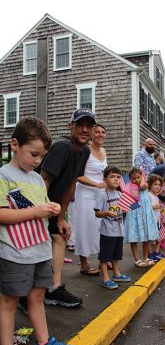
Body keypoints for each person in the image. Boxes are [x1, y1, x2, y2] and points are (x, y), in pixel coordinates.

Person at [0, 117, 74, 345]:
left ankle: (43, 343)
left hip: (39, 248)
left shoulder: (37, 179)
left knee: (37, 296)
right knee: (8, 303)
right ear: (15, 144)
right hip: (15, 251)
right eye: (33, 154)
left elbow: (40, 208)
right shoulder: (4, 175)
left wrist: (54, 210)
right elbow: (2, 214)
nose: (37, 161)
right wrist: (37, 211)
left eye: (41, 156)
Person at [39, 108, 95, 308]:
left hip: (54, 207)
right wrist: (40, 214)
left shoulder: (85, 151)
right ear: (70, 126)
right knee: (37, 245)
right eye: (80, 124)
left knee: (59, 237)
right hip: (38, 204)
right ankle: (26, 294)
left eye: (89, 126)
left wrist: (61, 217)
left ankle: (53, 289)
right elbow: (43, 180)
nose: (84, 129)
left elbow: (72, 182)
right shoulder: (63, 147)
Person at [75, 124, 107, 275]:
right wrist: (97, 184)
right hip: (86, 193)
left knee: (101, 227)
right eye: (97, 132)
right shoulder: (85, 151)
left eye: (103, 132)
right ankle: (84, 264)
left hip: (100, 195)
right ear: (91, 134)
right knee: (86, 227)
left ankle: (103, 261)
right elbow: (78, 175)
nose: (100, 135)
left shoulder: (104, 151)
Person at [94, 166, 131, 289]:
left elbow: (123, 209)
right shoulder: (102, 195)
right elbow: (97, 213)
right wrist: (107, 213)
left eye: (118, 177)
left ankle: (116, 274)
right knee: (105, 256)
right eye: (112, 176)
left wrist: (128, 209)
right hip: (107, 232)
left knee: (116, 255)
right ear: (105, 179)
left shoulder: (120, 193)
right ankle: (105, 278)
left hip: (119, 231)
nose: (116, 179)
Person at [124, 167, 159, 267]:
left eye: (139, 177)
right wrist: (141, 178)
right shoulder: (129, 186)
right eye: (133, 178)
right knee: (133, 237)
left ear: (142, 177)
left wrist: (142, 178)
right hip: (135, 214)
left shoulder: (145, 184)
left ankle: (146, 257)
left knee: (147, 236)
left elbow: (143, 185)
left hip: (145, 213)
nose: (136, 180)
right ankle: (137, 259)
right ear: (130, 179)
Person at [147, 174, 165, 261]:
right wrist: (153, 207)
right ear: (150, 185)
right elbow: (145, 208)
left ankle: (156, 252)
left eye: (159, 185)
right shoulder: (148, 195)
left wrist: (161, 210)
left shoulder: (156, 196)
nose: (158, 187)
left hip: (157, 220)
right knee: (150, 239)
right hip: (151, 221)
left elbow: (157, 209)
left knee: (159, 237)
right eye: (155, 184)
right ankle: (150, 254)